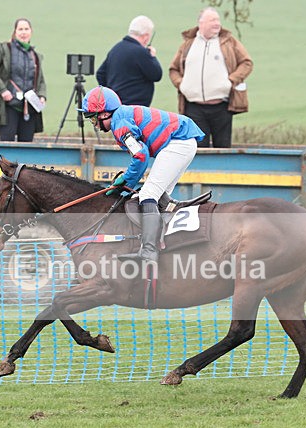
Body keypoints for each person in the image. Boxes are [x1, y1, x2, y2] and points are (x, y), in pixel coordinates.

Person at [79, 86, 204, 264]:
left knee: (147, 195)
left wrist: (127, 180)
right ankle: (162, 243)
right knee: (160, 197)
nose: (95, 125)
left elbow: (140, 155)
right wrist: (127, 179)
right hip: (182, 142)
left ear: (105, 114)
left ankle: (149, 251)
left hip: (179, 142)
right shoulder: (122, 116)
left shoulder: (119, 125)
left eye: (93, 118)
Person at [169, 7, 253, 148]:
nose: (217, 23)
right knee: (198, 150)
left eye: (218, 20)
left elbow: (247, 63)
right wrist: (182, 85)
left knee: (222, 148)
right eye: (213, 20)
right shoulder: (188, 44)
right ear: (201, 23)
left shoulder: (229, 42)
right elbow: (173, 69)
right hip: (193, 108)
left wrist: (231, 81)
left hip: (221, 107)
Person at [0, 18, 47, 142]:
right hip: (8, 105)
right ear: (15, 32)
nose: (23, 32)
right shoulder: (5, 49)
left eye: (26, 29)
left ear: (31, 31)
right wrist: (3, 90)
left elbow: (40, 79)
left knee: (26, 147)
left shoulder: (35, 55)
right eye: (20, 29)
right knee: (7, 146)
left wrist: (42, 96)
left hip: (29, 107)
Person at [95, 15, 162, 107]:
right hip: (135, 108)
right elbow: (156, 75)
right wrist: (153, 57)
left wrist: (110, 95)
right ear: (146, 36)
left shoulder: (116, 48)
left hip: (116, 106)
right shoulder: (141, 52)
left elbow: (100, 73)